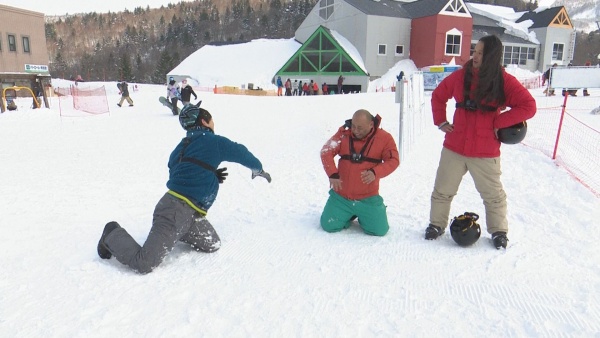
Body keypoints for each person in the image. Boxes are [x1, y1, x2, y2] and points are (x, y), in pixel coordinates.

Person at [97, 105, 272, 274]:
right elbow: (240, 152)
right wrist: (258, 169)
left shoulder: (179, 149)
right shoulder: (213, 141)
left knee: (213, 244)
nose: (213, 124)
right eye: (212, 121)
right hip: (173, 211)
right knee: (144, 263)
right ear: (204, 122)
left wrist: (209, 173)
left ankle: (177, 233)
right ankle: (111, 233)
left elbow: (176, 172)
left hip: (191, 214)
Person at [425, 35, 536, 249]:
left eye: (480, 53)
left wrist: (500, 121)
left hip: (486, 151)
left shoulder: (505, 82)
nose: (474, 56)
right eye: (475, 51)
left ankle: (499, 231)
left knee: (493, 196)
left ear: (491, 57)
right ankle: (436, 225)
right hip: (455, 147)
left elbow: (528, 106)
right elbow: (438, 95)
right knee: (442, 190)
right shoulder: (460, 76)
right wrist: (440, 121)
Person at [320, 109, 400, 236]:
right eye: (354, 126)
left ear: (371, 124)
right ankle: (349, 214)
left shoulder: (384, 138)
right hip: (342, 196)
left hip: (368, 197)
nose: (356, 131)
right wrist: (332, 173)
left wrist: (376, 172)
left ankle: (366, 215)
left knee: (379, 230)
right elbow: (326, 151)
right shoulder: (343, 134)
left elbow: (394, 160)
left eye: (360, 128)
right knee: (328, 225)